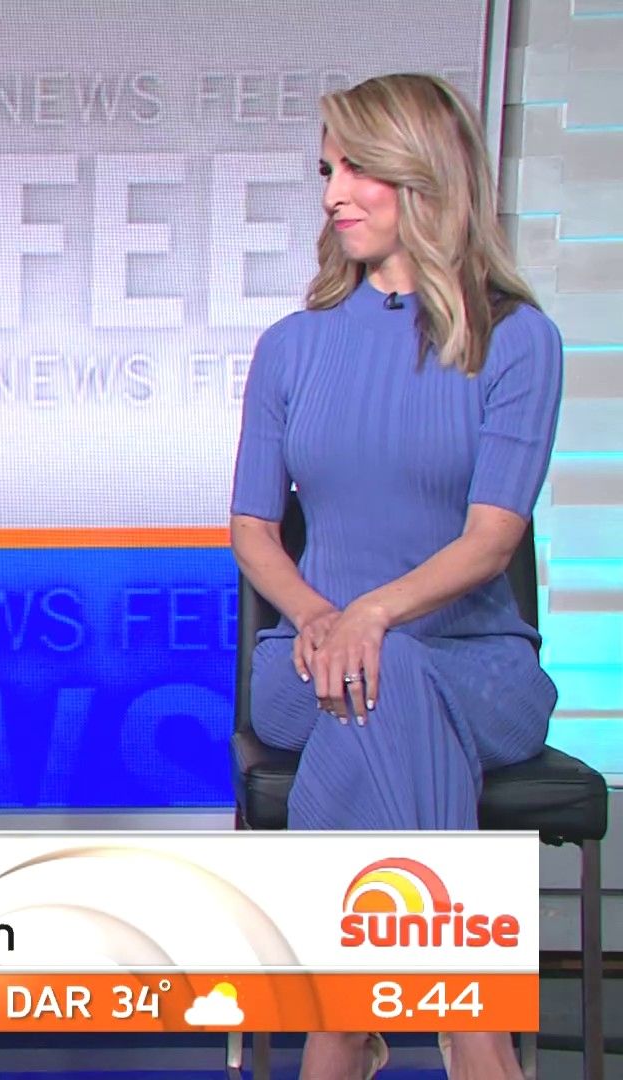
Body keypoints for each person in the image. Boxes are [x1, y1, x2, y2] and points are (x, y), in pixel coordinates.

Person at [230, 73, 561, 1080]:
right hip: (309, 659)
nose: (333, 192)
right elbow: (254, 533)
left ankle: (339, 1030)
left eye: (358, 168)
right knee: (375, 679)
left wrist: (373, 617)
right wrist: (324, 618)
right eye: (327, 169)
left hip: (475, 666)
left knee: (392, 677)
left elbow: (491, 542)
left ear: (425, 175)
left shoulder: (517, 340)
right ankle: (474, 1028)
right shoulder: (293, 346)